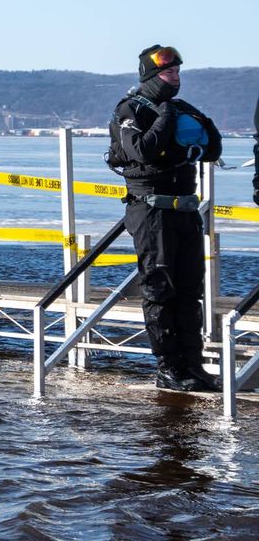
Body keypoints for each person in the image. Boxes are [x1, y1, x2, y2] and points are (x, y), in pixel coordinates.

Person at [106, 44, 222, 392]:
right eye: (169, 74)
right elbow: (141, 150)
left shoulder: (182, 107)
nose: (176, 79)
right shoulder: (130, 110)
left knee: (190, 291)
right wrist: (169, 122)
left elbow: (214, 147)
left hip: (185, 209)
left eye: (178, 73)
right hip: (150, 210)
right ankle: (168, 367)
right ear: (151, 77)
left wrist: (177, 146)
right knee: (160, 290)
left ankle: (194, 365)